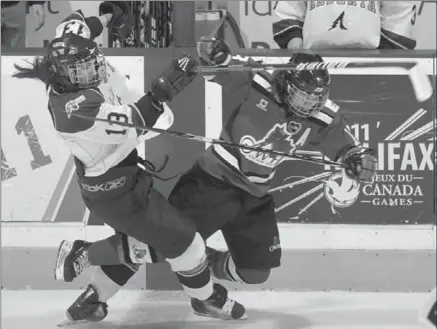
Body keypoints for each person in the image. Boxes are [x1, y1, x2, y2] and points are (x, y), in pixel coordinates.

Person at [52, 37, 378, 323]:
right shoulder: (258, 83)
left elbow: (344, 143)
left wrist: (355, 158)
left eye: (316, 97)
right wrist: (216, 55)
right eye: (304, 95)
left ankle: (201, 264)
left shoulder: (323, 115)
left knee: (255, 272)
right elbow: (221, 69)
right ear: (287, 84)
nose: (310, 104)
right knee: (156, 246)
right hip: (212, 183)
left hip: (255, 197)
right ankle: (93, 292)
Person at [12, 5, 246, 326]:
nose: (96, 68)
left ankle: (91, 301)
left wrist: (113, 15)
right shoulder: (75, 110)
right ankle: (204, 299)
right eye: (85, 68)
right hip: (116, 191)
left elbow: (82, 27)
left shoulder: (68, 54)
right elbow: (139, 118)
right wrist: (169, 85)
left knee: (143, 242)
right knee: (185, 244)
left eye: (92, 61)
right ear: (64, 74)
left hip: (120, 177)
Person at [272, 1, 417, 50]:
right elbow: (289, 10)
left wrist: (381, 63)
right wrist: (298, 54)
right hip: (313, 62)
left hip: (370, 64)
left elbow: (398, 12)